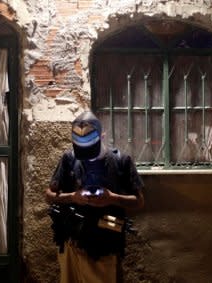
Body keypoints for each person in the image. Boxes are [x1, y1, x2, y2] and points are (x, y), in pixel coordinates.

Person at [45, 110, 145, 283]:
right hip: (72, 243)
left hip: (107, 242)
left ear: (102, 136)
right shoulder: (69, 158)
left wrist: (112, 198)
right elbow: (49, 195)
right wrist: (73, 197)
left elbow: (139, 202)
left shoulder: (121, 160)